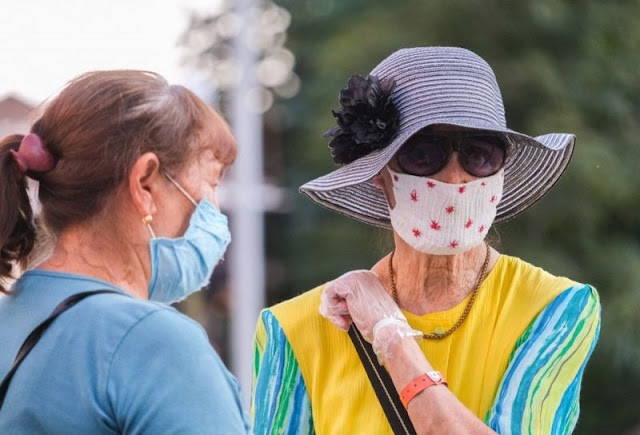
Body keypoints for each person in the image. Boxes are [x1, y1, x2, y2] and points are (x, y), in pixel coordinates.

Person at [251, 47, 600, 434]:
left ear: (502, 169)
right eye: (423, 154)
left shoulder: (554, 309)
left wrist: (391, 337)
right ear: (379, 173)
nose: (454, 178)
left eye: (480, 154)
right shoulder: (295, 330)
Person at [0, 71, 249, 433]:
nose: (213, 209)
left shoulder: (11, 318)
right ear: (145, 182)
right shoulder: (154, 343)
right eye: (210, 184)